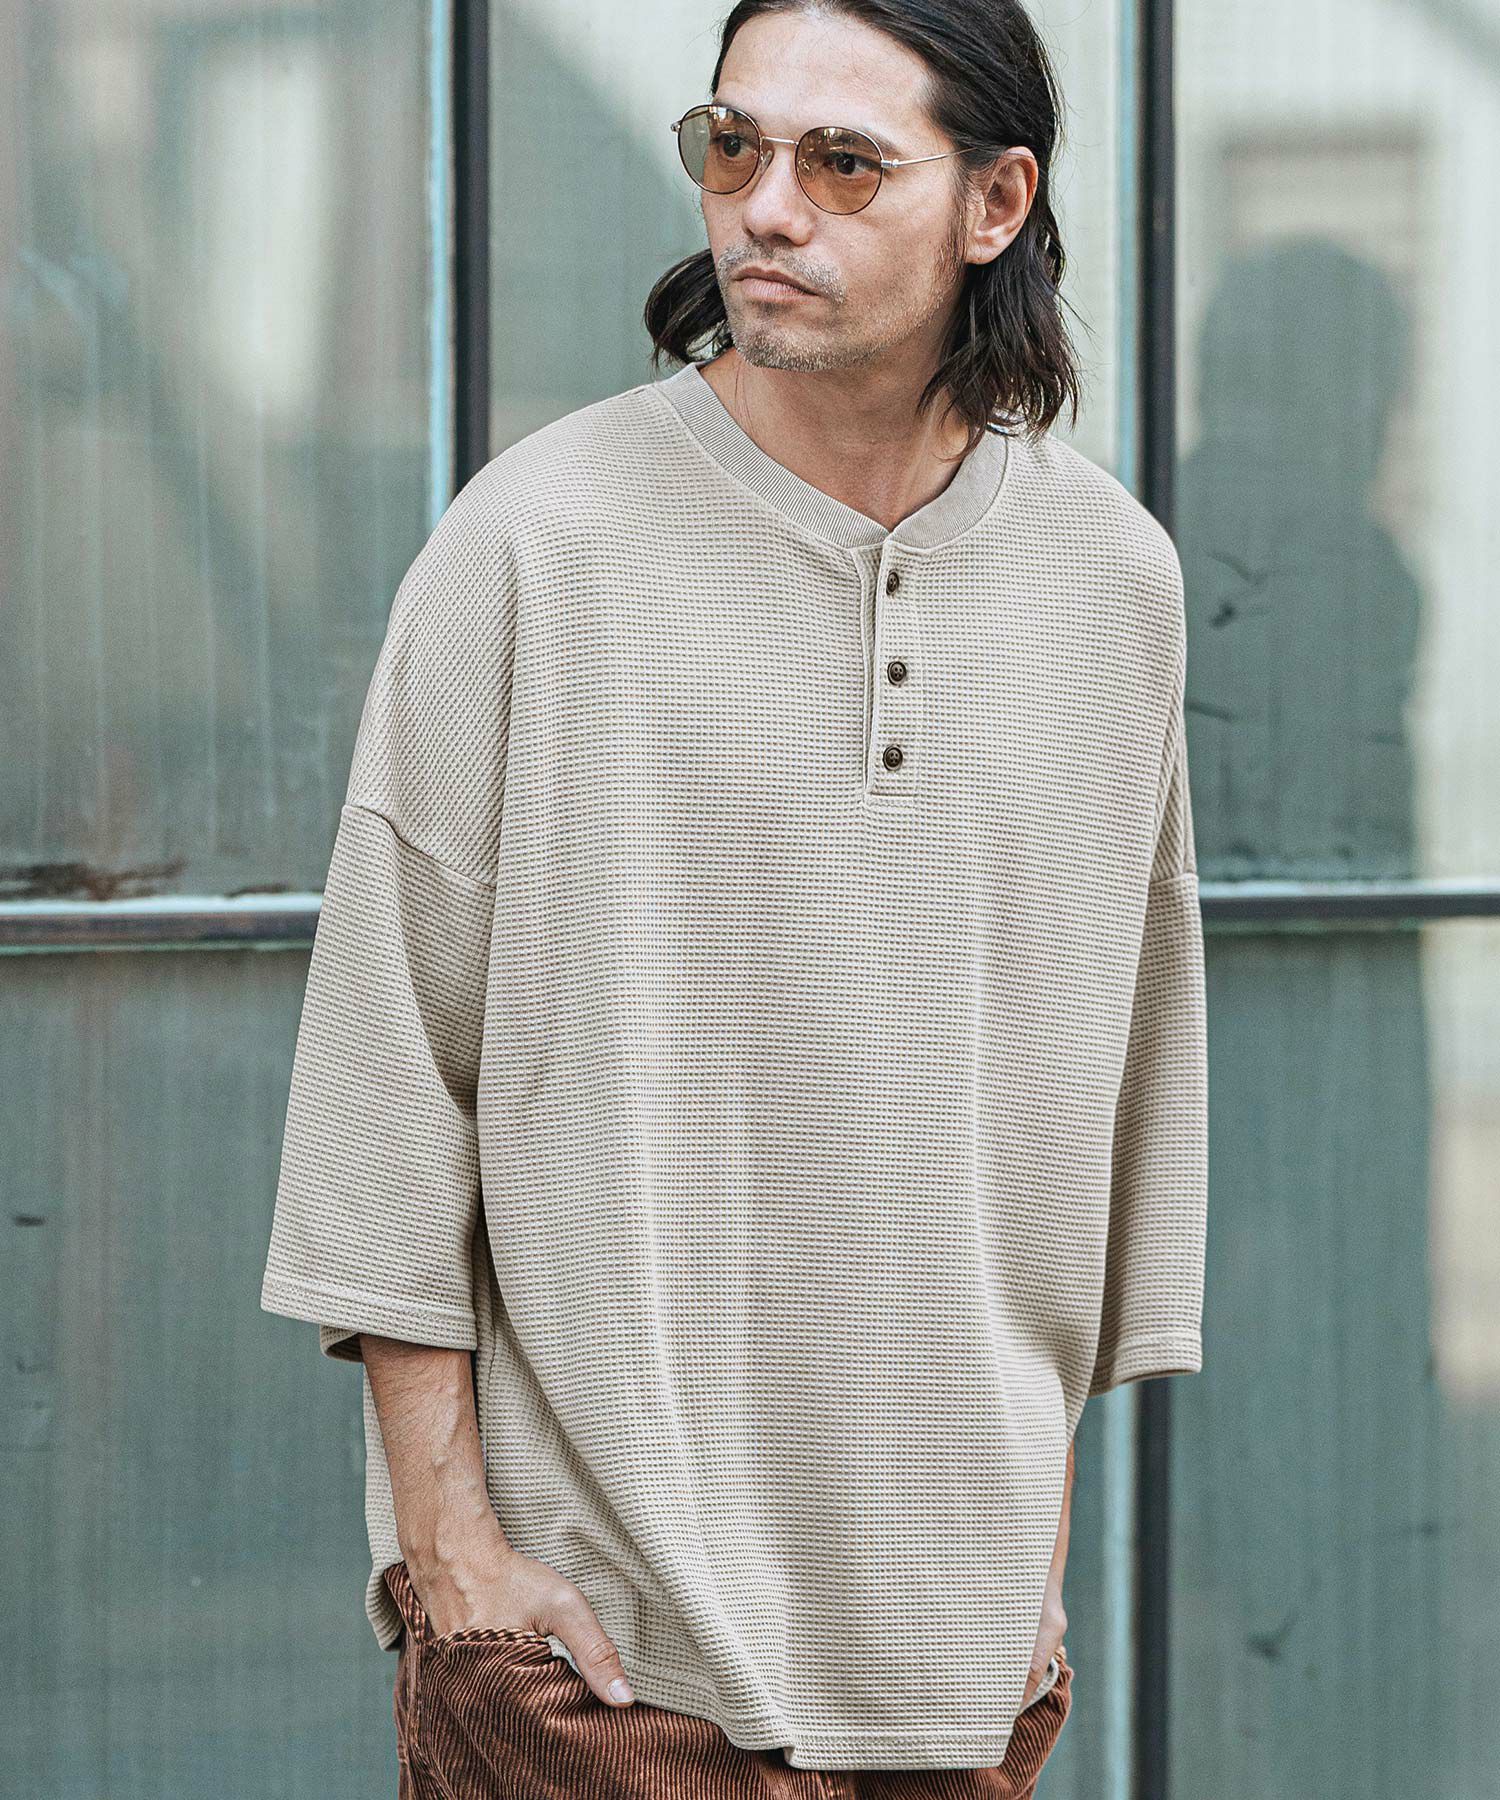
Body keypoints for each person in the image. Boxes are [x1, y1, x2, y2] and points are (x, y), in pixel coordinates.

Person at [259, 1, 1208, 1794]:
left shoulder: (1112, 584)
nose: (765, 206)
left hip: (953, 1663)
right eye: (733, 146)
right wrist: (453, 1559)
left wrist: (1028, 1555)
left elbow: (1108, 1098)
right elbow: (386, 1066)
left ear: (997, 202)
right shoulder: (536, 539)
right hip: (595, 1660)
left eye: (843, 163)